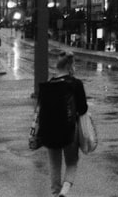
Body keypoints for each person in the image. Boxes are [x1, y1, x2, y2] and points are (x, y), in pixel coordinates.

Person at [38, 50, 88, 197]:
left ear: (57, 66)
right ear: (70, 65)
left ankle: (55, 194)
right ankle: (64, 193)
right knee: (72, 162)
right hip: (69, 131)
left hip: (49, 131)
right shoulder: (75, 84)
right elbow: (83, 108)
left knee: (54, 165)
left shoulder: (47, 85)